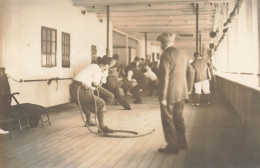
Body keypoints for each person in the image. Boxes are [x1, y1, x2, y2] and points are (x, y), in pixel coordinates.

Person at [157, 32, 194, 154]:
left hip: (169, 94)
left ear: (163, 44)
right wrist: (188, 89)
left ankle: (172, 146)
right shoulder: (182, 53)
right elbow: (191, 71)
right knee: (178, 117)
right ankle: (182, 143)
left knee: (167, 119)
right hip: (182, 92)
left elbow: (165, 77)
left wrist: (162, 97)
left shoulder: (165, 55)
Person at [70, 57, 114, 133]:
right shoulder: (97, 69)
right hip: (79, 89)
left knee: (87, 102)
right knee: (100, 103)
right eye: (107, 67)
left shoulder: (93, 66)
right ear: (105, 65)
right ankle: (102, 127)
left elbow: (92, 85)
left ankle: (88, 121)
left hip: (75, 89)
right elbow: (95, 85)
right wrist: (110, 94)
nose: (107, 69)